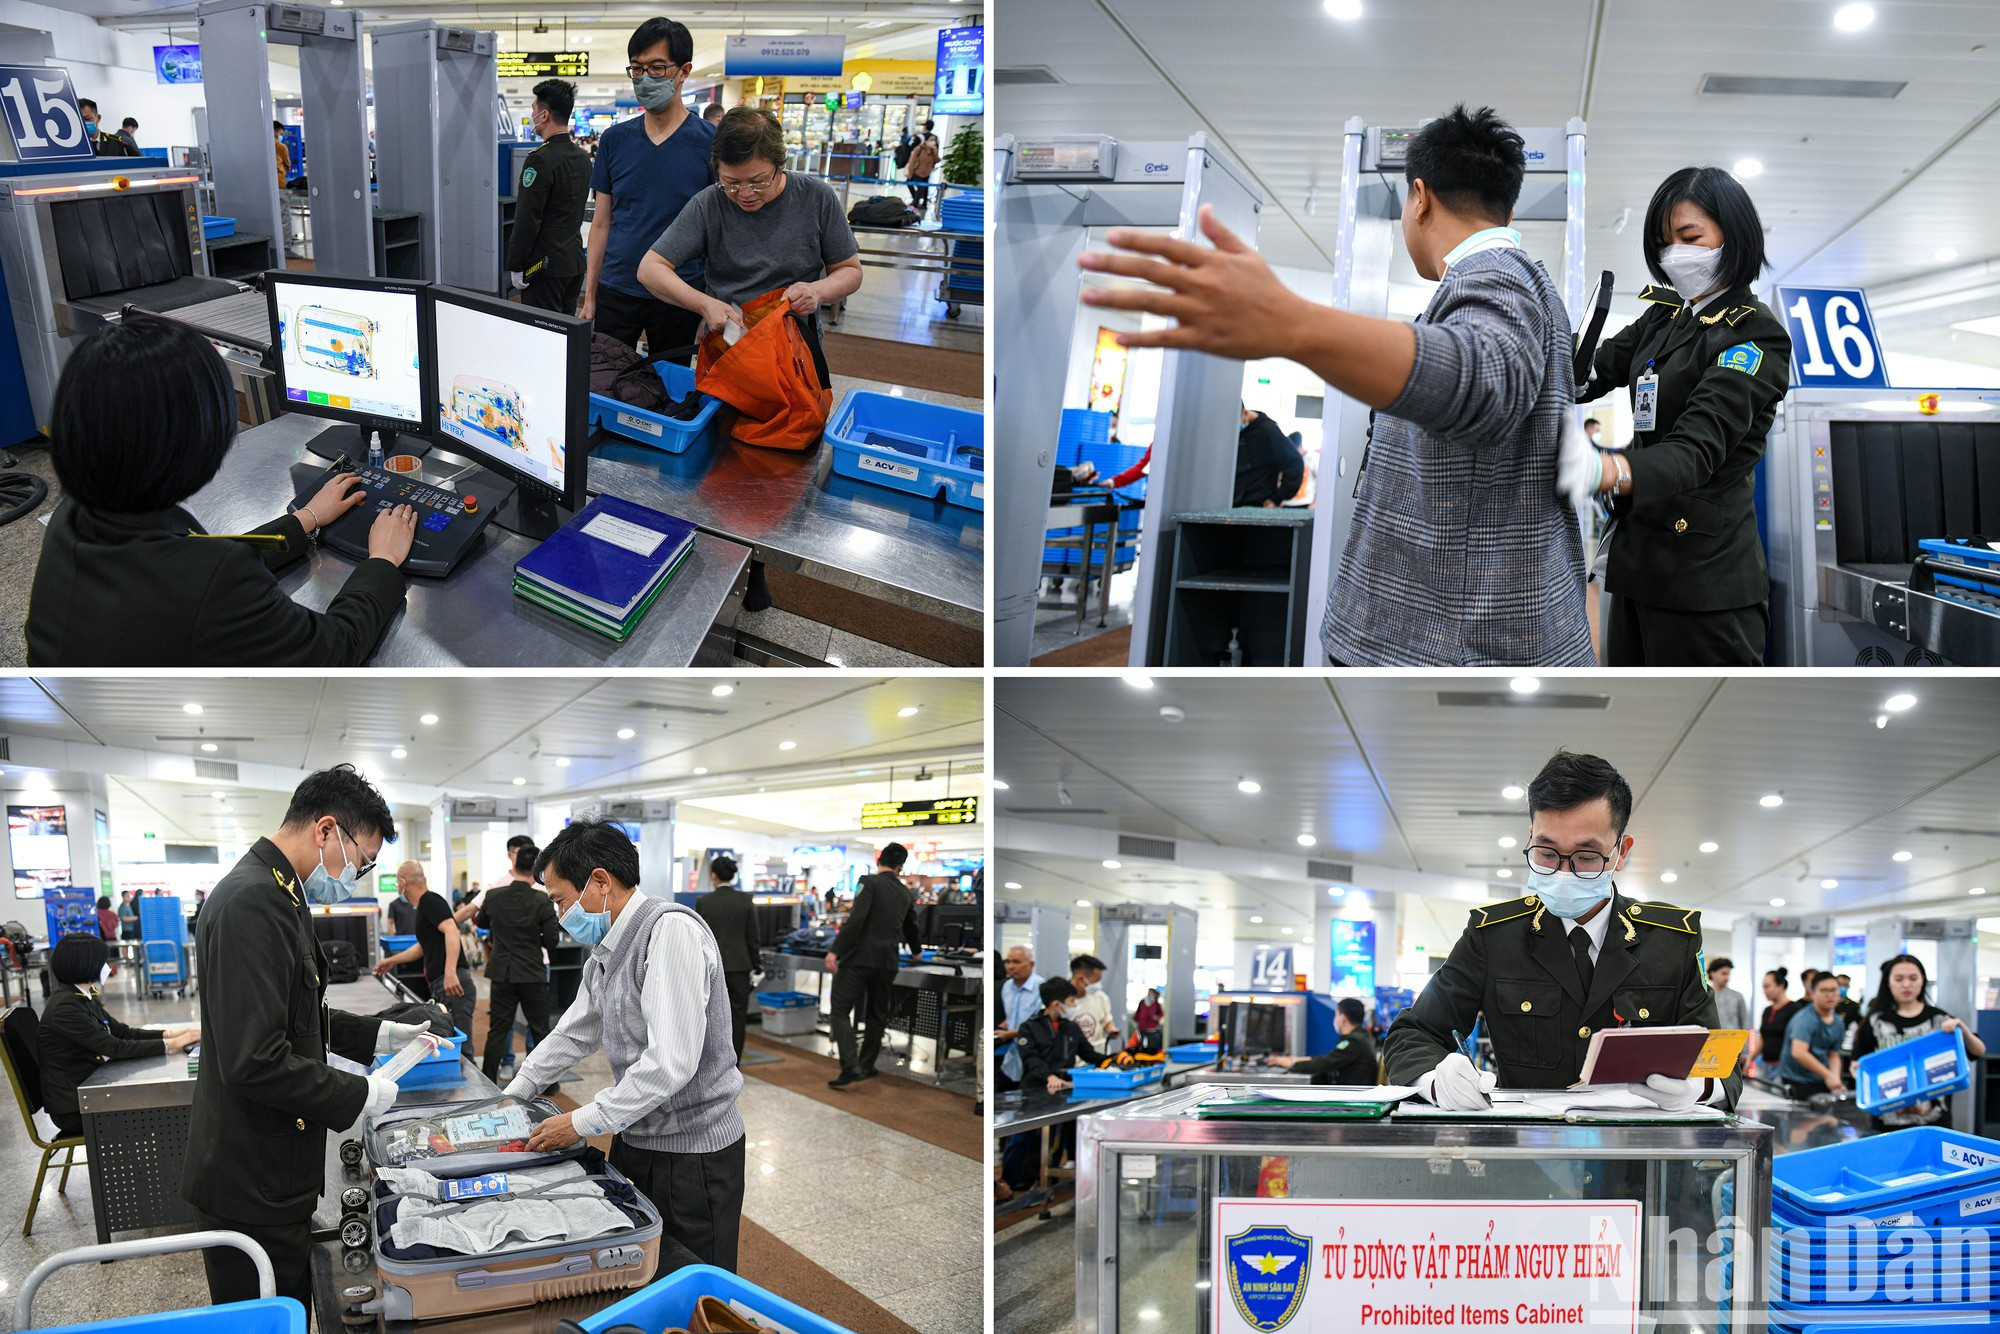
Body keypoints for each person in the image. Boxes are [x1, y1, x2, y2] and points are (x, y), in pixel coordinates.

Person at [1081, 105, 1592, 667]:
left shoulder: (1495, 275)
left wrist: (1294, 324)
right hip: (1470, 632)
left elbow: (1485, 382)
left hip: (1448, 643)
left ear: (1419, 197)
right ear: (1508, 206)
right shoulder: (1521, 283)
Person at [183, 765, 437, 1312]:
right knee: (269, 1319)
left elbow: (300, 1014)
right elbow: (254, 1059)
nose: (356, 875)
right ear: (326, 830)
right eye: (360, 861)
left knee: (293, 1306)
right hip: (249, 1176)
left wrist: (383, 1035)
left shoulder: (282, 893)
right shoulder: (253, 901)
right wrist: (359, 1095)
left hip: (273, 1167)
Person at [25, 313, 416, 667]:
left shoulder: (73, 515)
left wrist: (304, 520)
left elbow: (186, 569)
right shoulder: (215, 580)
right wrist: (381, 561)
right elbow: (333, 649)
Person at [1382, 749, 1740, 1110]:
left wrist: (1701, 1086)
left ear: (1621, 852)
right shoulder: (1493, 937)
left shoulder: (1670, 941)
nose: (1564, 872)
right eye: (1546, 852)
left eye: (1586, 856)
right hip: (1527, 1151)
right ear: (1531, 836)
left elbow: (1722, 1063)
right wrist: (1433, 1079)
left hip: (1637, 1153)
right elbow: (1412, 1033)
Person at [505, 820, 746, 1280]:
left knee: (696, 1284)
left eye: (560, 900)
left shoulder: (669, 932)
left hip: (694, 1155)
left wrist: (578, 1122)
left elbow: (670, 1062)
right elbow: (575, 1031)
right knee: (640, 1270)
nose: (559, 916)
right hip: (637, 1137)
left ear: (600, 881)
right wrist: (517, 1092)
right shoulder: (605, 951)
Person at [1577, 166, 1792, 666]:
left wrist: (1607, 469)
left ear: (1732, 235)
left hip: (1704, 583)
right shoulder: (1668, 313)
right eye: (1664, 240)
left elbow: (1695, 452)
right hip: (1640, 562)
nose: (1675, 252)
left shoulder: (1754, 336)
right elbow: (1598, 363)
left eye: (1689, 237)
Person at [639, 106, 863, 341]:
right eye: (731, 182)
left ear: (781, 164)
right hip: (729, 343)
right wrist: (704, 304)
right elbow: (650, 269)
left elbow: (850, 271)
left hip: (794, 345)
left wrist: (816, 292)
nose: (745, 193)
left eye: (759, 182)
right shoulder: (709, 203)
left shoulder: (817, 198)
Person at [584, 17, 716, 357]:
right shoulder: (614, 140)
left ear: (683, 71)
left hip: (679, 291)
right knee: (609, 383)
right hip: (617, 287)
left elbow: (719, 233)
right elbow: (602, 222)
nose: (645, 78)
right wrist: (590, 294)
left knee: (669, 392)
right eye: (637, 69)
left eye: (657, 68)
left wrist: (709, 304)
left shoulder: (711, 144)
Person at [38, 934, 196, 1138]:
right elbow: (115, 1047)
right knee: (163, 1111)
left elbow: (121, 1032)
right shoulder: (65, 1007)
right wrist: (170, 1044)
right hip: (74, 1108)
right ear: (87, 963)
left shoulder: (82, 996)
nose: (106, 966)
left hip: (87, 1090)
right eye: (102, 961)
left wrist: (171, 1034)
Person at [823, 841, 921, 1089]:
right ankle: (867, 1065)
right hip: (887, 961)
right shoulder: (905, 892)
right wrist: (917, 951)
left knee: (840, 1009)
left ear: (879, 860)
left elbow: (857, 919)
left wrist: (835, 951)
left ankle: (850, 1066)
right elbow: (911, 927)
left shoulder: (869, 882)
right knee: (877, 1014)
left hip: (859, 959)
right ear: (900, 866)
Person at [1852, 953, 1989, 1128]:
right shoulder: (1875, 1021)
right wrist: (1860, 1074)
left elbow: (1978, 1051)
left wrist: (1963, 1030)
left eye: (1913, 978)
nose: (1906, 984)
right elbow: (1858, 1062)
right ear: (1888, 982)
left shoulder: (1940, 1020)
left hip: (1934, 1121)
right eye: (1899, 979)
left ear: (1922, 980)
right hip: (1887, 1122)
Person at [475, 841, 561, 1082]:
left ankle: (489, 1079)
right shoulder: (542, 900)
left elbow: (481, 923)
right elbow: (552, 942)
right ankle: (549, 1084)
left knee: (498, 1030)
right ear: (537, 871)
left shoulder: (493, 896)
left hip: (502, 972)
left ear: (514, 863)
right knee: (540, 1029)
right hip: (532, 972)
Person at [509, 79, 592, 314]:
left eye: (534, 110)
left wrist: (516, 264)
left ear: (544, 115)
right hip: (573, 262)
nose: (532, 115)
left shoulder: (540, 159)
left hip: (545, 268)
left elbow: (527, 218)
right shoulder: (582, 157)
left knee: (542, 337)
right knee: (566, 334)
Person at [374, 861, 477, 1040]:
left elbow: (452, 930)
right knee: (447, 1038)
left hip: (453, 984)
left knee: (459, 1047)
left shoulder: (430, 900)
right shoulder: (424, 906)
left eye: (397, 883)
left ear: (403, 882)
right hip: (442, 985)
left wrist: (450, 972)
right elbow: (422, 947)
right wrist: (391, 961)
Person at [692, 855, 763, 1060]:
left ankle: (713, 1061)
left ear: (713, 876)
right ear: (733, 876)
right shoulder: (745, 901)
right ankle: (735, 1062)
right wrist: (756, 966)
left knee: (711, 1014)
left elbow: (699, 937)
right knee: (738, 1016)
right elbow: (753, 937)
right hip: (740, 966)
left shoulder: (704, 903)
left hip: (711, 968)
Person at [1778, 970, 1848, 1102]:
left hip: (1819, 1079)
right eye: (1824, 991)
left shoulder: (1838, 1022)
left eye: (1834, 990)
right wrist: (1828, 1076)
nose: (1830, 995)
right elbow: (1799, 1053)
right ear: (1813, 993)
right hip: (1797, 1081)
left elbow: (1834, 1055)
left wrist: (1835, 1079)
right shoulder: (1805, 1019)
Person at [1270, 997, 1377, 1084]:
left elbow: (1323, 1063)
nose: (1335, 1019)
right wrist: (1296, 1059)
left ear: (1343, 1018)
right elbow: (1329, 1058)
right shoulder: (1360, 1037)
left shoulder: (1354, 1042)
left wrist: (1291, 1064)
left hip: (1354, 1099)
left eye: (1336, 1015)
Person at [1234, 405, 1305, 507]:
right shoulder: (1239, 433)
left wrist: (1277, 498)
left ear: (1245, 413)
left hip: (1256, 503)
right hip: (1234, 500)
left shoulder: (1268, 431)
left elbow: (1294, 462)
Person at [996, 944, 1043, 1091]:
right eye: (1007, 962)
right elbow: (1011, 1016)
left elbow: (1039, 1025)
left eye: (1016, 962)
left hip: (1035, 1057)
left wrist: (1010, 1034)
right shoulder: (1007, 987)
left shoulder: (1041, 988)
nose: (1010, 966)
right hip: (1012, 1059)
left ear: (1031, 964)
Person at [1065, 953, 1118, 1049]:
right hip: (1074, 1058)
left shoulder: (1100, 997)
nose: (1098, 985)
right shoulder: (1061, 999)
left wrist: (1112, 1030)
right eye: (1096, 981)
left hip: (1099, 1056)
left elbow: (1106, 1021)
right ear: (1081, 978)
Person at [1755, 967, 1798, 1077]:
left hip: (1784, 1066)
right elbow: (1763, 1037)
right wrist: (1751, 1058)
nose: (1765, 991)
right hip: (1765, 1064)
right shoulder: (1767, 1010)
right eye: (1763, 987)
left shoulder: (1794, 1009)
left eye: (1767, 986)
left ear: (1780, 986)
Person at [1707, 956, 1751, 1035]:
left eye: (1728, 974)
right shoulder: (1706, 997)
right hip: (1713, 1043)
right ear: (1712, 973)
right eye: (1723, 973)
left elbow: (1746, 1023)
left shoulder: (1737, 997)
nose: (1727, 977)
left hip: (1735, 1043)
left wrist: (1746, 1046)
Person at [904, 119, 939, 214]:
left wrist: (910, 171)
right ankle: (923, 203)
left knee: (914, 183)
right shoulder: (935, 139)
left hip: (918, 165)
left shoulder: (920, 138)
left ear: (925, 127)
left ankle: (915, 202)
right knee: (924, 184)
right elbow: (937, 156)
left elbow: (911, 148)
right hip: (928, 166)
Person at [1133, 987, 1164, 1053]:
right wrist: (1136, 1020)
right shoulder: (1142, 1002)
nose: (1150, 995)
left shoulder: (1157, 1004)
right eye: (1149, 993)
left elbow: (1161, 1014)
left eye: (1151, 993)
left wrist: (1156, 1018)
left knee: (1151, 1044)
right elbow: (1138, 1013)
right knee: (1141, 1043)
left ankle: (1150, 1056)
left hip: (1152, 1028)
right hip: (1142, 1026)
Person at [273, 121, 291, 188]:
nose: (281, 136)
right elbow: (287, 164)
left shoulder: (262, 144)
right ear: (274, 131)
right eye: (280, 134)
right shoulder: (281, 147)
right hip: (279, 180)